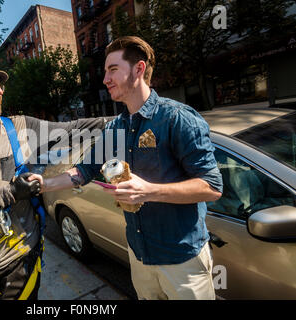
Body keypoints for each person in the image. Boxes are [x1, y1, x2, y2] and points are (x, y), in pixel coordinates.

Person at [30, 36, 223, 300]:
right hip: (139, 255)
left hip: (182, 261)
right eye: (105, 71)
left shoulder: (176, 118)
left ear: (139, 69)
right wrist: (41, 184)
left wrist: (148, 191)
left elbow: (212, 187)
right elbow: (83, 172)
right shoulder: (115, 128)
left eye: (113, 69)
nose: (105, 79)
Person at [0, 58, 109, 300]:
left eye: (0, 85)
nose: (0, 90)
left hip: (23, 253)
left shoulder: (20, 127)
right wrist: (12, 193)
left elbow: (72, 129)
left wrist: (118, 121)